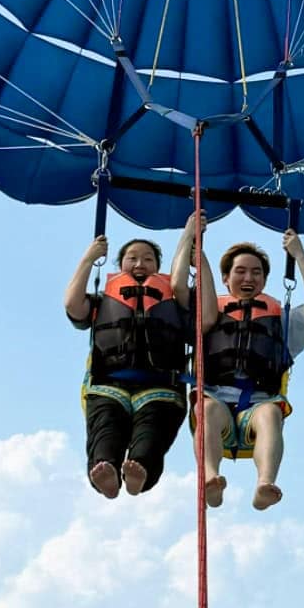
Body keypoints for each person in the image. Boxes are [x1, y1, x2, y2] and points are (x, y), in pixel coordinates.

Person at [65, 213, 203, 499]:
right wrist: (89, 259)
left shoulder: (176, 302)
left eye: (148, 259)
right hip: (108, 384)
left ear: (159, 267)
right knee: (106, 428)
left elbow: (179, 281)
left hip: (161, 388)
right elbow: (72, 305)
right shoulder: (103, 301)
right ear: (120, 265)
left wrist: (189, 234)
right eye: (132, 258)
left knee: (152, 431)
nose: (140, 264)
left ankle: (139, 469)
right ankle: (108, 471)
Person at [189, 229, 304, 511]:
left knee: (270, 412)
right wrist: (195, 249)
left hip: (259, 404)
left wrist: (298, 254)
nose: (249, 278)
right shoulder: (208, 314)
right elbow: (181, 289)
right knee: (207, 409)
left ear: (264, 280)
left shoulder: (280, 320)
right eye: (240, 271)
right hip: (216, 400)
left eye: (256, 273)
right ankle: (210, 479)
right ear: (225, 278)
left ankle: (265, 484)